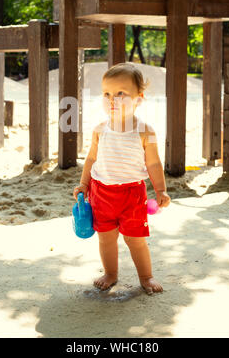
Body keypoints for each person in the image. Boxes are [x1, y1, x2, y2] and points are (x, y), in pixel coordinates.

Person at [73, 62, 171, 294]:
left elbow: (154, 163)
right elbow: (90, 159)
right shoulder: (100, 129)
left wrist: (161, 190)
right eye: (106, 94)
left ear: (139, 98)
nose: (112, 99)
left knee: (135, 239)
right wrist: (84, 183)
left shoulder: (145, 131)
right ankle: (111, 273)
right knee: (106, 238)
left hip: (132, 194)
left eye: (120, 93)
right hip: (101, 193)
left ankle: (146, 277)